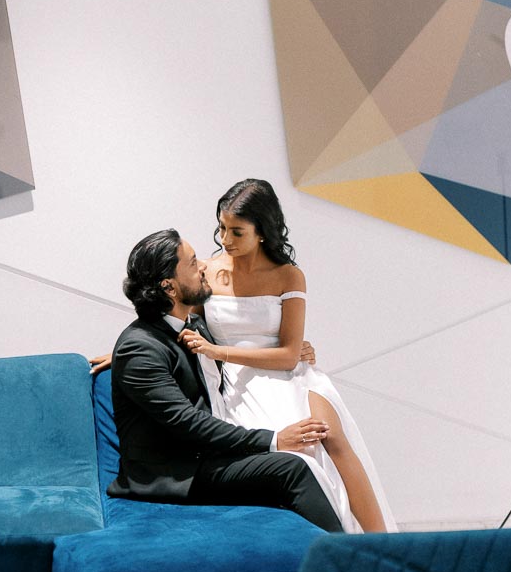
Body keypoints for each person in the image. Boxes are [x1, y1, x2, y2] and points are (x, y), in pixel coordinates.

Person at [180, 179, 394, 534]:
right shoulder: (208, 271)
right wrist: (126, 353)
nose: (225, 239)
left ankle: (380, 543)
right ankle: (323, 538)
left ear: (262, 232)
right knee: (293, 453)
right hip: (237, 383)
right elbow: (175, 322)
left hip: (288, 374)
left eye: (237, 232)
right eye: (222, 228)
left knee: (329, 435)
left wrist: (219, 351)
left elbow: (290, 354)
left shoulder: (288, 276)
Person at [108, 227, 345, 532]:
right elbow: (189, 423)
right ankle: (346, 557)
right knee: (292, 468)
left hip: (209, 456)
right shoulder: (139, 349)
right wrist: (274, 439)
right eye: (193, 263)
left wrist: (295, 349)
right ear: (169, 287)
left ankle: (334, 551)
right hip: (177, 473)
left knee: (312, 452)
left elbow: (233, 350)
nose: (204, 267)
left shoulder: (193, 325)